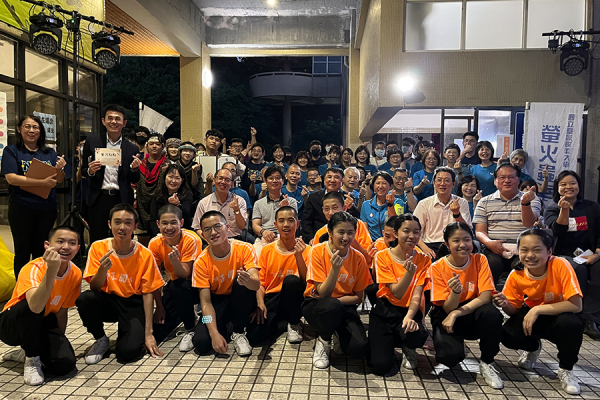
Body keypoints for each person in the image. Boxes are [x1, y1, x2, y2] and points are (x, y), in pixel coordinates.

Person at [493, 228, 583, 395]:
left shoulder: (560, 264)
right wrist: (505, 304)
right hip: (534, 316)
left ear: (549, 251)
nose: (530, 255)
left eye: (536, 250)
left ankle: (566, 369)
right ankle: (533, 347)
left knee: (571, 324)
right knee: (508, 335)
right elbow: (513, 311)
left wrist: (537, 309)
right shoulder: (517, 273)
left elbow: (576, 305)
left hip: (560, 315)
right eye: (524, 250)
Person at [77, 204, 165, 364]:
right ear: (109, 224)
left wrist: (148, 334)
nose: (122, 227)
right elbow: (94, 287)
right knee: (85, 299)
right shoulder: (98, 247)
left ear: (135, 226)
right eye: (117, 222)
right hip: (108, 300)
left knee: (127, 353)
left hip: (133, 303)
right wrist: (102, 270)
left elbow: (148, 292)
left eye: (128, 223)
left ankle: (128, 333)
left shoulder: (145, 254)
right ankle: (100, 339)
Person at [0, 226, 81, 385]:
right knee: (34, 306)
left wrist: (59, 341)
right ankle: (31, 359)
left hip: (42, 322)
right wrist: (52, 270)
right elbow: (35, 307)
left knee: (64, 364)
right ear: (47, 245)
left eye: (72, 243)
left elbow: (61, 312)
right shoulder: (32, 268)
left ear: (78, 249)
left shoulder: (76, 273)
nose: (66, 247)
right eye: (60, 241)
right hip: (13, 323)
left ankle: (27, 351)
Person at [428, 222, 504, 389]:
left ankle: (487, 362)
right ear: (447, 244)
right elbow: (448, 309)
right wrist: (455, 293)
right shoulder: (437, 267)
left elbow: (485, 297)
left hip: (470, 312)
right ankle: (454, 345)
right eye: (456, 241)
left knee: (492, 314)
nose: (462, 245)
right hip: (446, 314)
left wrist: (457, 313)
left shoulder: (480, 260)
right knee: (448, 357)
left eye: (467, 240)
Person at [303, 212, 373, 369]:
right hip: (317, 306)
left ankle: (336, 331)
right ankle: (324, 341)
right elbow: (324, 294)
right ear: (330, 232)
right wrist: (335, 269)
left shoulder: (358, 258)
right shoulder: (317, 251)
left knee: (358, 349)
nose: (346, 237)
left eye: (350, 232)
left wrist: (335, 301)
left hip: (343, 306)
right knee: (330, 306)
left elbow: (358, 297)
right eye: (341, 232)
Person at [1, 115, 66, 277]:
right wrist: (42, 182)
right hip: (22, 208)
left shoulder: (49, 152)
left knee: (41, 250)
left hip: (47, 208)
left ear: (40, 130)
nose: (31, 130)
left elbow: (58, 180)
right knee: (22, 251)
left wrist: (59, 169)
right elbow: (11, 178)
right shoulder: (12, 151)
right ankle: (22, 289)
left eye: (35, 127)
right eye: (27, 126)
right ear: (19, 129)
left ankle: (39, 286)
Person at [369, 214, 431, 375]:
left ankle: (408, 346)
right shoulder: (382, 256)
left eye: (416, 232)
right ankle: (390, 341)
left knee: (415, 335)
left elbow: (417, 294)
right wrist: (408, 275)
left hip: (410, 309)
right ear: (395, 233)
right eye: (406, 231)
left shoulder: (424, 259)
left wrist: (410, 317)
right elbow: (396, 293)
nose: (412, 236)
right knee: (380, 366)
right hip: (386, 309)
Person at [192, 211, 260, 356]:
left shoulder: (245, 248)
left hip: (241, 298)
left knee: (241, 282)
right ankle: (226, 326)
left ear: (227, 227)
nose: (213, 232)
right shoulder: (201, 261)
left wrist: (248, 280)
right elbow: (205, 303)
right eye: (207, 229)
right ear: (203, 235)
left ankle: (238, 332)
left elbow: (256, 285)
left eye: (217, 226)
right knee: (201, 342)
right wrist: (214, 333)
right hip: (216, 302)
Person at [544, 170, 600, 340]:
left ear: (579, 186)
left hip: (591, 253)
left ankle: (591, 319)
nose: (568, 187)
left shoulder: (592, 207)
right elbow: (558, 230)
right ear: (557, 188)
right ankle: (575, 314)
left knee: (598, 270)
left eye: (572, 183)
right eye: (563, 184)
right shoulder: (552, 208)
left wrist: (597, 254)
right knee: (578, 269)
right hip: (563, 254)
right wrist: (564, 209)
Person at [246, 206, 309, 346]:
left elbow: (306, 284)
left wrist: (299, 256)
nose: (286, 224)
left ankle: (293, 323)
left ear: (297, 224)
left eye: (291, 220)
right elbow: (260, 283)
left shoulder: (307, 250)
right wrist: (260, 303)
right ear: (275, 225)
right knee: (254, 337)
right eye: (281, 221)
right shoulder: (267, 250)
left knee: (292, 281)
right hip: (272, 299)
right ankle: (279, 322)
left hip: (295, 298)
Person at [81, 104, 141, 244]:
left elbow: (135, 178)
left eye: (117, 119)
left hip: (121, 198)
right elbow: (84, 170)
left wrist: (134, 169)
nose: (113, 122)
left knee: (122, 237)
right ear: (103, 121)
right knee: (97, 238)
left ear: (124, 123)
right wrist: (90, 171)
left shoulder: (131, 148)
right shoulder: (92, 142)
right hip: (98, 197)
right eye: (110, 118)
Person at [474, 163, 541, 287]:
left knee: (522, 265)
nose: (507, 181)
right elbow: (479, 231)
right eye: (502, 177)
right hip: (493, 246)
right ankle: (487, 295)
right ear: (495, 181)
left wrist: (525, 203)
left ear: (518, 180)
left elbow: (529, 224)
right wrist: (489, 243)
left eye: (511, 177)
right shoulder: (484, 202)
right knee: (492, 263)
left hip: (523, 248)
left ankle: (521, 297)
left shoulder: (532, 198)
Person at [148, 205, 201, 351]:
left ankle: (190, 327)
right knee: (158, 331)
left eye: (173, 223)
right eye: (164, 223)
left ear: (181, 223)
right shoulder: (154, 243)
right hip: (175, 289)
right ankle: (185, 315)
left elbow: (185, 274)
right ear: (158, 224)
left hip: (197, 288)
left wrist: (175, 261)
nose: (169, 227)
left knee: (202, 339)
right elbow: (154, 278)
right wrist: (159, 307)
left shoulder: (192, 239)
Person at [414, 167, 472, 259]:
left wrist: (456, 214)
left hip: (456, 244)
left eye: (447, 180)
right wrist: (424, 248)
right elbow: (414, 231)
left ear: (453, 184)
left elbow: (467, 230)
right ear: (434, 183)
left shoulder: (462, 202)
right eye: (439, 180)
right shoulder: (424, 204)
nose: (442, 183)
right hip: (431, 244)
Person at [302, 167, 359, 243]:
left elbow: (355, 219)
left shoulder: (348, 196)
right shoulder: (313, 197)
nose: (332, 180)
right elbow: (306, 221)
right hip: (318, 238)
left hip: (343, 238)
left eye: (336, 177)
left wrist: (351, 208)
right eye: (329, 177)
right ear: (324, 181)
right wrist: (311, 238)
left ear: (342, 181)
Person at [313, 191, 374, 262]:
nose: (330, 213)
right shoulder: (320, 233)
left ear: (344, 208)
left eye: (335, 208)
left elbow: (368, 258)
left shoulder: (358, 225)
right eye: (326, 209)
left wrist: (352, 241)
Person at [252, 166, 298, 255]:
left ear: (283, 180)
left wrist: (284, 209)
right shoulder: (258, 203)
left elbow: (294, 225)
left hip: (286, 237)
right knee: (255, 255)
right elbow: (255, 225)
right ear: (265, 181)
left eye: (277, 178)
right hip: (264, 237)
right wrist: (264, 232)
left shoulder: (291, 201)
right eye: (271, 178)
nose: (274, 181)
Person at [192, 168, 248, 240]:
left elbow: (241, 227)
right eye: (220, 178)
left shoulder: (239, 201)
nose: (223, 182)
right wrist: (209, 241)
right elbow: (197, 228)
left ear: (231, 183)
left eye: (227, 180)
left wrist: (236, 210)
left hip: (234, 240)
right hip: (212, 240)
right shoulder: (204, 203)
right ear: (214, 180)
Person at [135, 134, 168, 244]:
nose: (154, 146)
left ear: (163, 146)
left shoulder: (168, 165)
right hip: (142, 207)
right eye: (151, 144)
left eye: (158, 144)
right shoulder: (139, 164)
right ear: (146, 146)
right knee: (143, 244)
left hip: (161, 206)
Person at [149, 163, 194, 236]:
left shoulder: (187, 195)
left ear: (182, 180)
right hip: (160, 234)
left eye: (177, 178)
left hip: (182, 234)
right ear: (165, 177)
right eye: (170, 177)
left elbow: (186, 218)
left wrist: (178, 205)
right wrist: (160, 235)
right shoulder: (158, 195)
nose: (173, 181)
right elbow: (153, 220)